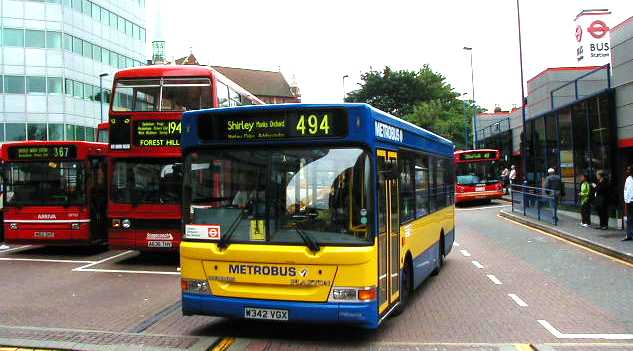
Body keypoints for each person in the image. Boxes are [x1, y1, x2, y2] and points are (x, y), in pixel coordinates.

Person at [623, 166, 633, 241]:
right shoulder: (628, 179)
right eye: (627, 170)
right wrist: (626, 200)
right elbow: (625, 189)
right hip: (629, 201)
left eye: (629, 170)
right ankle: (629, 235)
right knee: (629, 219)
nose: (627, 171)